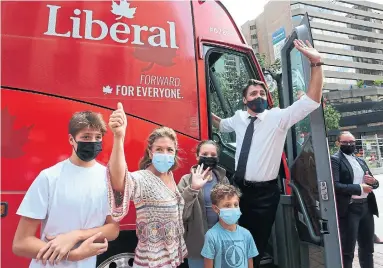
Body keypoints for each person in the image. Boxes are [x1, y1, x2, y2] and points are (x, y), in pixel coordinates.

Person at [211, 39, 323, 267]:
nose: (259, 97)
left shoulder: (278, 117)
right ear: (245, 100)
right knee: (232, 239)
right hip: (236, 189)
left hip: (264, 195)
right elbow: (221, 125)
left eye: (262, 93)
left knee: (256, 243)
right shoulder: (239, 118)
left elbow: (312, 101)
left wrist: (316, 63)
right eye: (253, 93)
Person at [12, 111, 120, 268]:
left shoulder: (108, 178)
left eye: (98, 137)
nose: (93, 142)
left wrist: (75, 236)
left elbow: (113, 228)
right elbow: (21, 243)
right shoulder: (49, 177)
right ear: (71, 139)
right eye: (86, 137)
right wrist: (73, 255)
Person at [107, 103, 189, 267]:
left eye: (169, 150)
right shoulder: (143, 179)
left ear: (175, 153)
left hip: (172, 260)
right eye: (159, 149)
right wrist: (118, 138)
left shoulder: (170, 176)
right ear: (150, 153)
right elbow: (119, 181)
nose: (164, 154)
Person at [177, 140, 230, 268]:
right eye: (205, 154)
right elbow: (180, 213)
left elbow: (231, 209)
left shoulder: (223, 180)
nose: (209, 158)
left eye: (213, 155)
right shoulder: (186, 180)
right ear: (197, 156)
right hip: (198, 245)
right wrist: (193, 188)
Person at [330, 131, 379, 268]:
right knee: (348, 250)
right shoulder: (335, 160)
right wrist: (359, 188)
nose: (349, 144)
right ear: (338, 143)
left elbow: (374, 184)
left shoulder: (360, 160)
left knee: (367, 248)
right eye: (345, 142)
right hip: (350, 208)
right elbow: (335, 185)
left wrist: (373, 181)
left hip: (366, 208)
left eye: (352, 142)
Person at [201, 183, 258, 268]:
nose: (233, 209)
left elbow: (250, 263)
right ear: (216, 209)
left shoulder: (246, 234)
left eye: (236, 205)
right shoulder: (211, 236)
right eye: (227, 205)